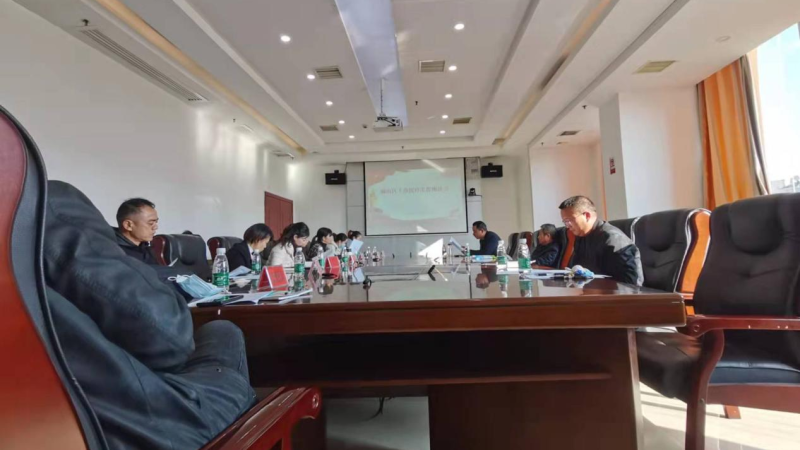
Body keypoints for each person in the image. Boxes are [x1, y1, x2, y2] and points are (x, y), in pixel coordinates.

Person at [44, 181, 255, 450]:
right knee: (222, 330)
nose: (156, 228)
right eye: (151, 222)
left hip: (56, 415)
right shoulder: (43, 206)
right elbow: (168, 340)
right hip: (143, 422)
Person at [559, 195, 643, 285]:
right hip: (589, 290)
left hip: (614, 292)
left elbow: (631, 283)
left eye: (569, 220)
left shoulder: (613, 239)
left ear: (587, 216)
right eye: (565, 222)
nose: (567, 226)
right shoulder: (581, 237)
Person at [114, 197, 159, 264]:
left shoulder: (145, 247)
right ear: (128, 225)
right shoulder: (114, 253)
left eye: (156, 222)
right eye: (151, 223)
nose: (155, 227)